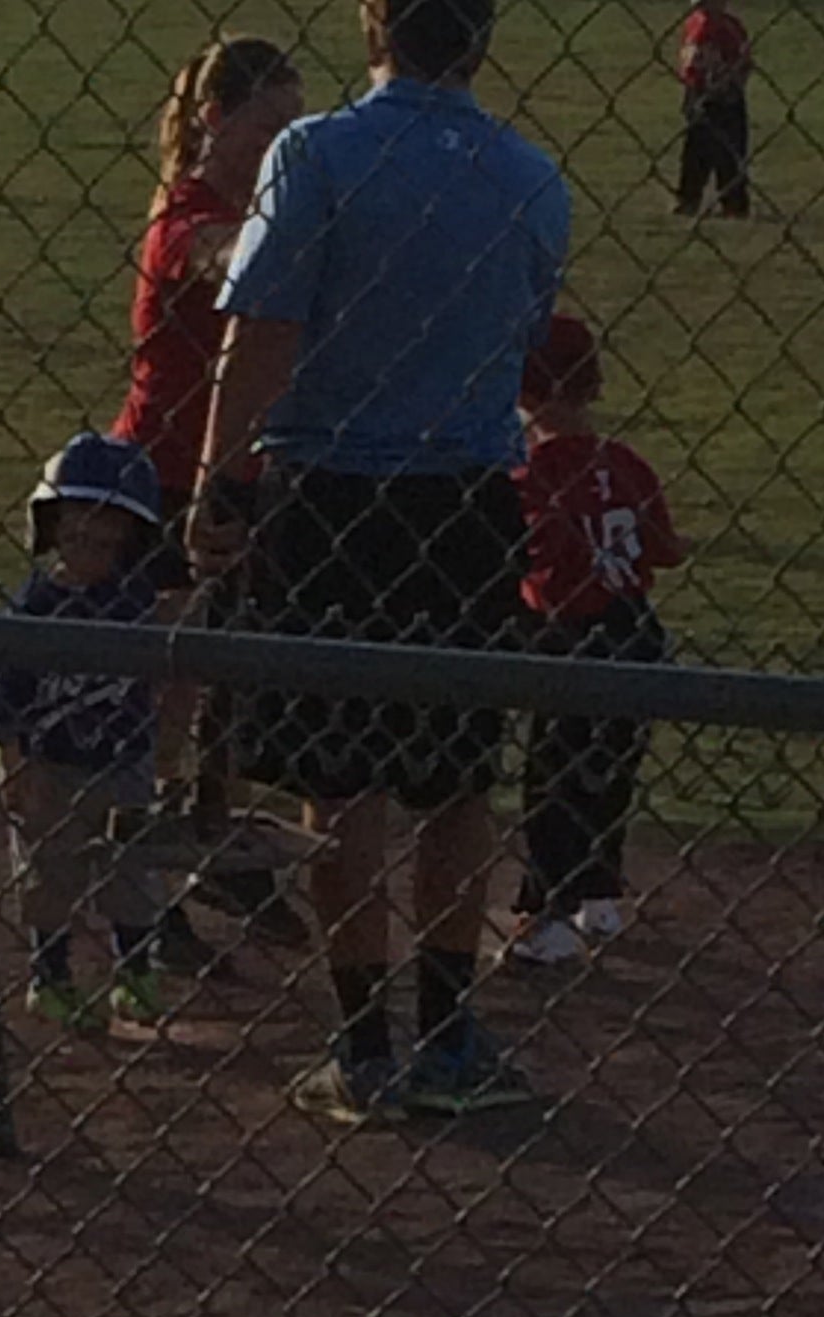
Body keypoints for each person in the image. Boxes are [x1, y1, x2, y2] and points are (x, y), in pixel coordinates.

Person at [188, 0, 571, 1123]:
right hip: (463, 495)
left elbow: (262, 328)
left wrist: (220, 485)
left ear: (375, 28)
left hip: (331, 493)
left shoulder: (317, 151)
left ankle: (363, 1046)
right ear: (482, 38)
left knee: (337, 777)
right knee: (455, 778)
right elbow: (522, 333)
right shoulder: (530, 175)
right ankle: (448, 1037)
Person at [111, 37, 309, 970]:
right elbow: (217, 259)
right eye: (269, 124)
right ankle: (145, 900)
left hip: (239, 476)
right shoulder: (188, 216)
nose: (283, 143)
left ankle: (208, 849)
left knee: (221, 682)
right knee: (169, 689)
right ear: (214, 122)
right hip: (162, 479)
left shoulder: (258, 207)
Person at [0, 432, 168, 1034]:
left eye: (109, 526)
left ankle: (136, 974)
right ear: (52, 525)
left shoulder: (136, 603)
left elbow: (166, 676)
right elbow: (2, 697)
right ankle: (50, 978)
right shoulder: (35, 605)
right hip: (51, 765)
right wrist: (12, 764)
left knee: (134, 873)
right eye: (78, 521)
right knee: (49, 877)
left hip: (123, 762)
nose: (91, 538)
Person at [507, 316, 686, 964]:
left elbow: (527, 565)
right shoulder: (627, 462)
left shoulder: (531, 474)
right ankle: (599, 900)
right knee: (608, 770)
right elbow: (666, 553)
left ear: (524, 392)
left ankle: (546, 916)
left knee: (553, 779)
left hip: (570, 635)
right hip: (637, 628)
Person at [674, 0, 753, 219]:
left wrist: (732, 82)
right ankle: (689, 199)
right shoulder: (696, 24)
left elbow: (744, 60)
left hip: (726, 97)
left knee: (731, 152)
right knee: (696, 151)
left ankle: (734, 203)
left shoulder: (730, 28)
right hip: (700, 94)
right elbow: (688, 62)